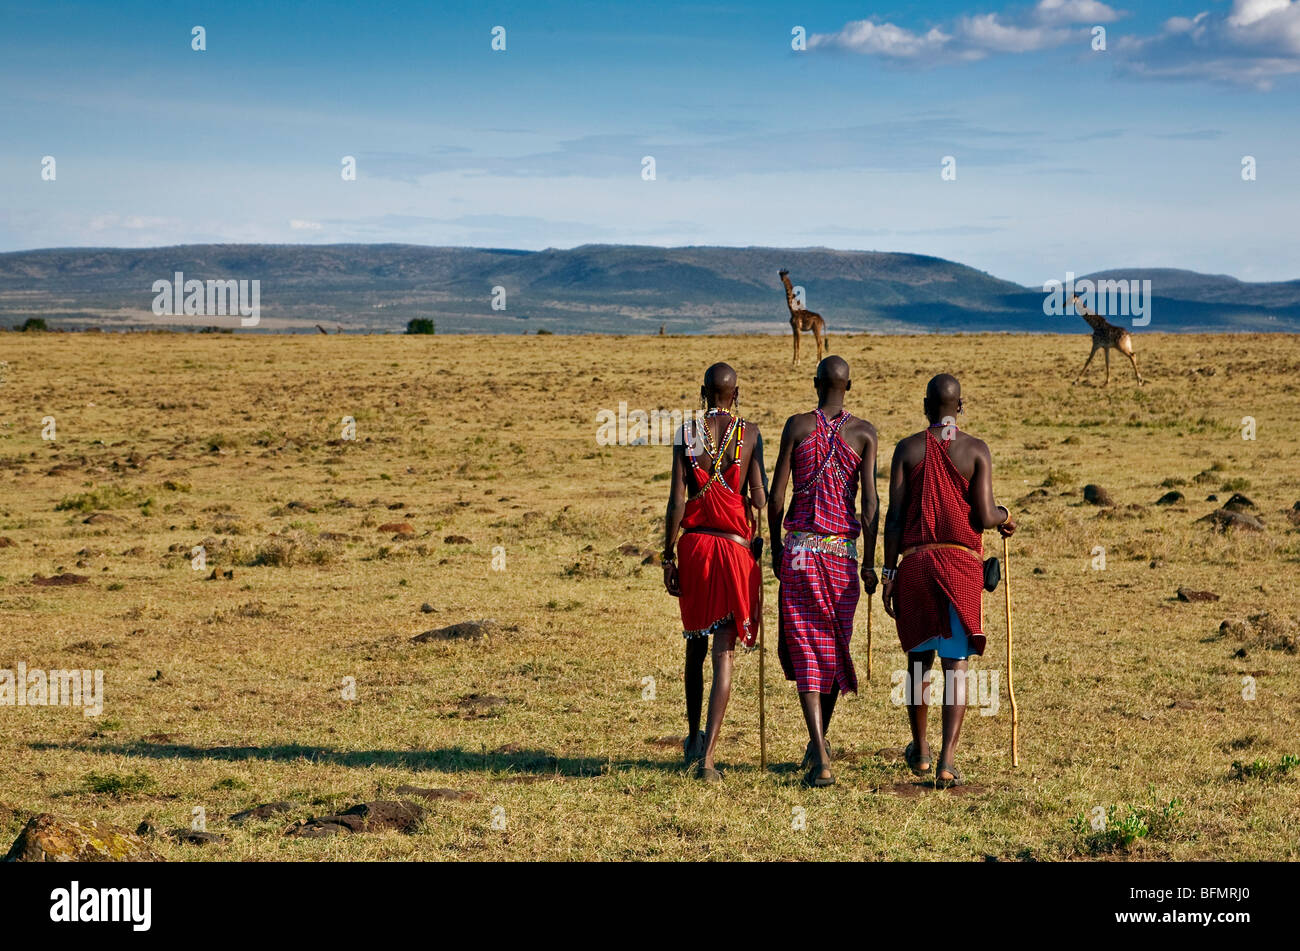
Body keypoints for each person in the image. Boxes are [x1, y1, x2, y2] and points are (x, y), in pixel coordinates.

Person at [881, 373, 1016, 788]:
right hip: (960, 567)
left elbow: (895, 516)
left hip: (917, 566)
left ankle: (919, 750)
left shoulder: (907, 449)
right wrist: (1007, 517)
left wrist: (888, 572)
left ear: (926, 406)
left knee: (918, 662)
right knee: (956, 666)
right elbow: (984, 515)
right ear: (960, 407)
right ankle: (947, 761)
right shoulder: (975, 450)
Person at [767, 356, 878, 787]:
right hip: (842, 557)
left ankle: (819, 751)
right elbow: (870, 505)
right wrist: (869, 561)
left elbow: (776, 499)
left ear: (816, 384)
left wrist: (776, 547)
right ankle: (820, 747)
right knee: (831, 649)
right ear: (847, 386)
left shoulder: (797, 426)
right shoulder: (865, 434)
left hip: (799, 552)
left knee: (807, 649)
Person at [663, 363, 766, 782]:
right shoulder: (750, 434)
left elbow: (675, 501)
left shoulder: (686, 433)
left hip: (696, 550)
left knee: (694, 645)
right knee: (723, 652)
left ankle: (692, 737)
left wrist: (667, 555)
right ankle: (707, 760)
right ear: (735, 394)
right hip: (735, 551)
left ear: (703, 393)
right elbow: (758, 498)